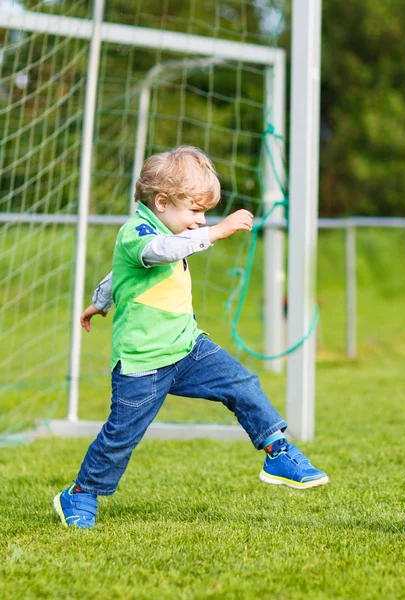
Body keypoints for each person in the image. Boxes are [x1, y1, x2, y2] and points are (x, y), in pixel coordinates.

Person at [53, 146, 328, 529]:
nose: (200, 221)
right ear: (162, 201)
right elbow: (157, 253)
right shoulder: (139, 233)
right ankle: (80, 494)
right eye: (195, 210)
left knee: (242, 383)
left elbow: (118, 276)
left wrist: (99, 302)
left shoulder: (167, 228)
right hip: (142, 363)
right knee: (121, 438)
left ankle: (277, 451)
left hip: (187, 347)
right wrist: (216, 232)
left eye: (205, 213)